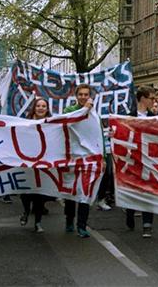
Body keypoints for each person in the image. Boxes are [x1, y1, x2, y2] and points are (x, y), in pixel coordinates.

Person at [62, 84, 96, 238]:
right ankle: (69, 219)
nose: (83, 97)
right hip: (72, 157)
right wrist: (84, 110)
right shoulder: (69, 111)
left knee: (86, 192)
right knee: (71, 191)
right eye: (80, 94)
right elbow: (69, 122)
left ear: (90, 96)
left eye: (86, 94)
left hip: (89, 158)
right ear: (76, 96)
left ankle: (82, 225)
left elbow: (97, 134)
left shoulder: (94, 114)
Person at [19, 97, 53, 233]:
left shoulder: (52, 124)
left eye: (43, 106)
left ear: (47, 109)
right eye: (38, 105)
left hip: (43, 164)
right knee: (26, 191)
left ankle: (38, 222)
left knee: (40, 193)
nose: (41, 108)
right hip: (27, 162)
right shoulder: (25, 123)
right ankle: (26, 211)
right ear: (34, 108)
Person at [126, 86, 155, 238]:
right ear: (142, 98)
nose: (153, 101)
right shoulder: (128, 117)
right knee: (133, 189)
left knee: (148, 190)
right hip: (133, 158)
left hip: (149, 159)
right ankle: (129, 212)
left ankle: (147, 224)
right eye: (151, 98)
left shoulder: (154, 118)